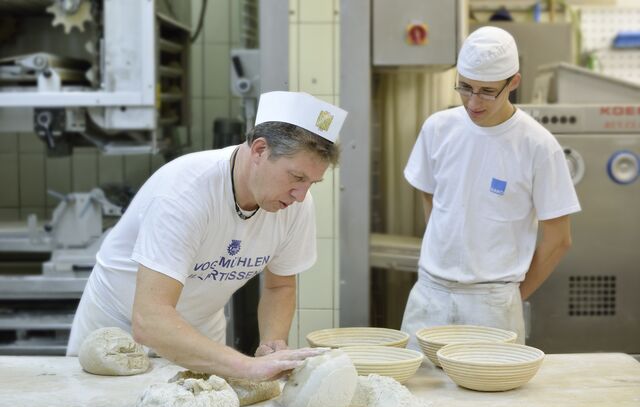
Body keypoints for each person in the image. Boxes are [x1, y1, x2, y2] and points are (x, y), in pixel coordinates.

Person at [67, 91, 348, 381]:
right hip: (117, 335)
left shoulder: (295, 204)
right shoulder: (184, 193)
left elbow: (280, 287)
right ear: (260, 151)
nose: (301, 196)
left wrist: (270, 346)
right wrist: (247, 367)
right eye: (297, 177)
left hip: (198, 334)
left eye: (312, 183)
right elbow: (149, 319)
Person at [401, 26, 581, 349]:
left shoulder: (538, 146)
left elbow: (559, 239)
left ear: (513, 82)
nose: (473, 102)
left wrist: (507, 297)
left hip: (493, 303)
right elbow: (430, 195)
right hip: (429, 295)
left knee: (490, 398)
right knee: (416, 395)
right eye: (465, 87)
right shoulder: (438, 129)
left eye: (486, 91)